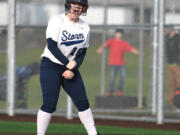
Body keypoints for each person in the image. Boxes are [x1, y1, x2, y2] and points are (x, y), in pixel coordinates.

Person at [37, 0, 100, 135]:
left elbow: (82, 52)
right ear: (68, 6)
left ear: (84, 9)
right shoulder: (57, 20)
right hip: (50, 65)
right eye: (73, 4)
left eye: (80, 5)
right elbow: (51, 45)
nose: (76, 7)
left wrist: (72, 68)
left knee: (82, 101)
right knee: (49, 103)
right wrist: (67, 63)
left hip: (70, 67)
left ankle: (93, 133)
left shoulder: (85, 27)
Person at [97, 29, 139, 96]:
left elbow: (131, 49)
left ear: (122, 35)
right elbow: (104, 45)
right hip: (112, 63)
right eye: (117, 33)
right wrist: (100, 49)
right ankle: (110, 91)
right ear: (115, 34)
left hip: (121, 64)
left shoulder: (124, 43)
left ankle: (119, 90)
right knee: (112, 78)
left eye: (120, 33)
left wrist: (138, 52)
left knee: (123, 77)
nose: (118, 35)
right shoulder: (111, 41)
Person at [165, 27, 180, 108]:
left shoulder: (177, 38)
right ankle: (170, 102)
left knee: (179, 82)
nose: (166, 31)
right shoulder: (166, 38)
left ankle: (177, 101)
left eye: (168, 30)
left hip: (176, 63)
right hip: (170, 64)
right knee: (171, 84)